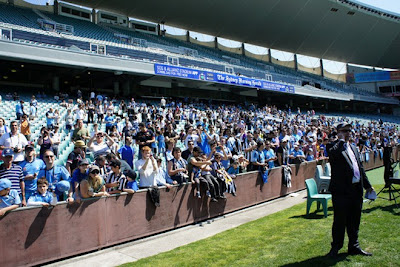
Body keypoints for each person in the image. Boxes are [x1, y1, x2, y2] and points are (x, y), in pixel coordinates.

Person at [326, 123, 375, 258]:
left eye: (349, 130)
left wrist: (368, 186)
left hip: (356, 190)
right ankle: (336, 247)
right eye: (345, 130)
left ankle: (354, 246)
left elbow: (360, 168)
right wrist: (340, 140)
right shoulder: (333, 146)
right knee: (340, 221)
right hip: (341, 191)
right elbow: (333, 155)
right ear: (338, 132)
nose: (349, 133)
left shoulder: (353, 147)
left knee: (355, 220)